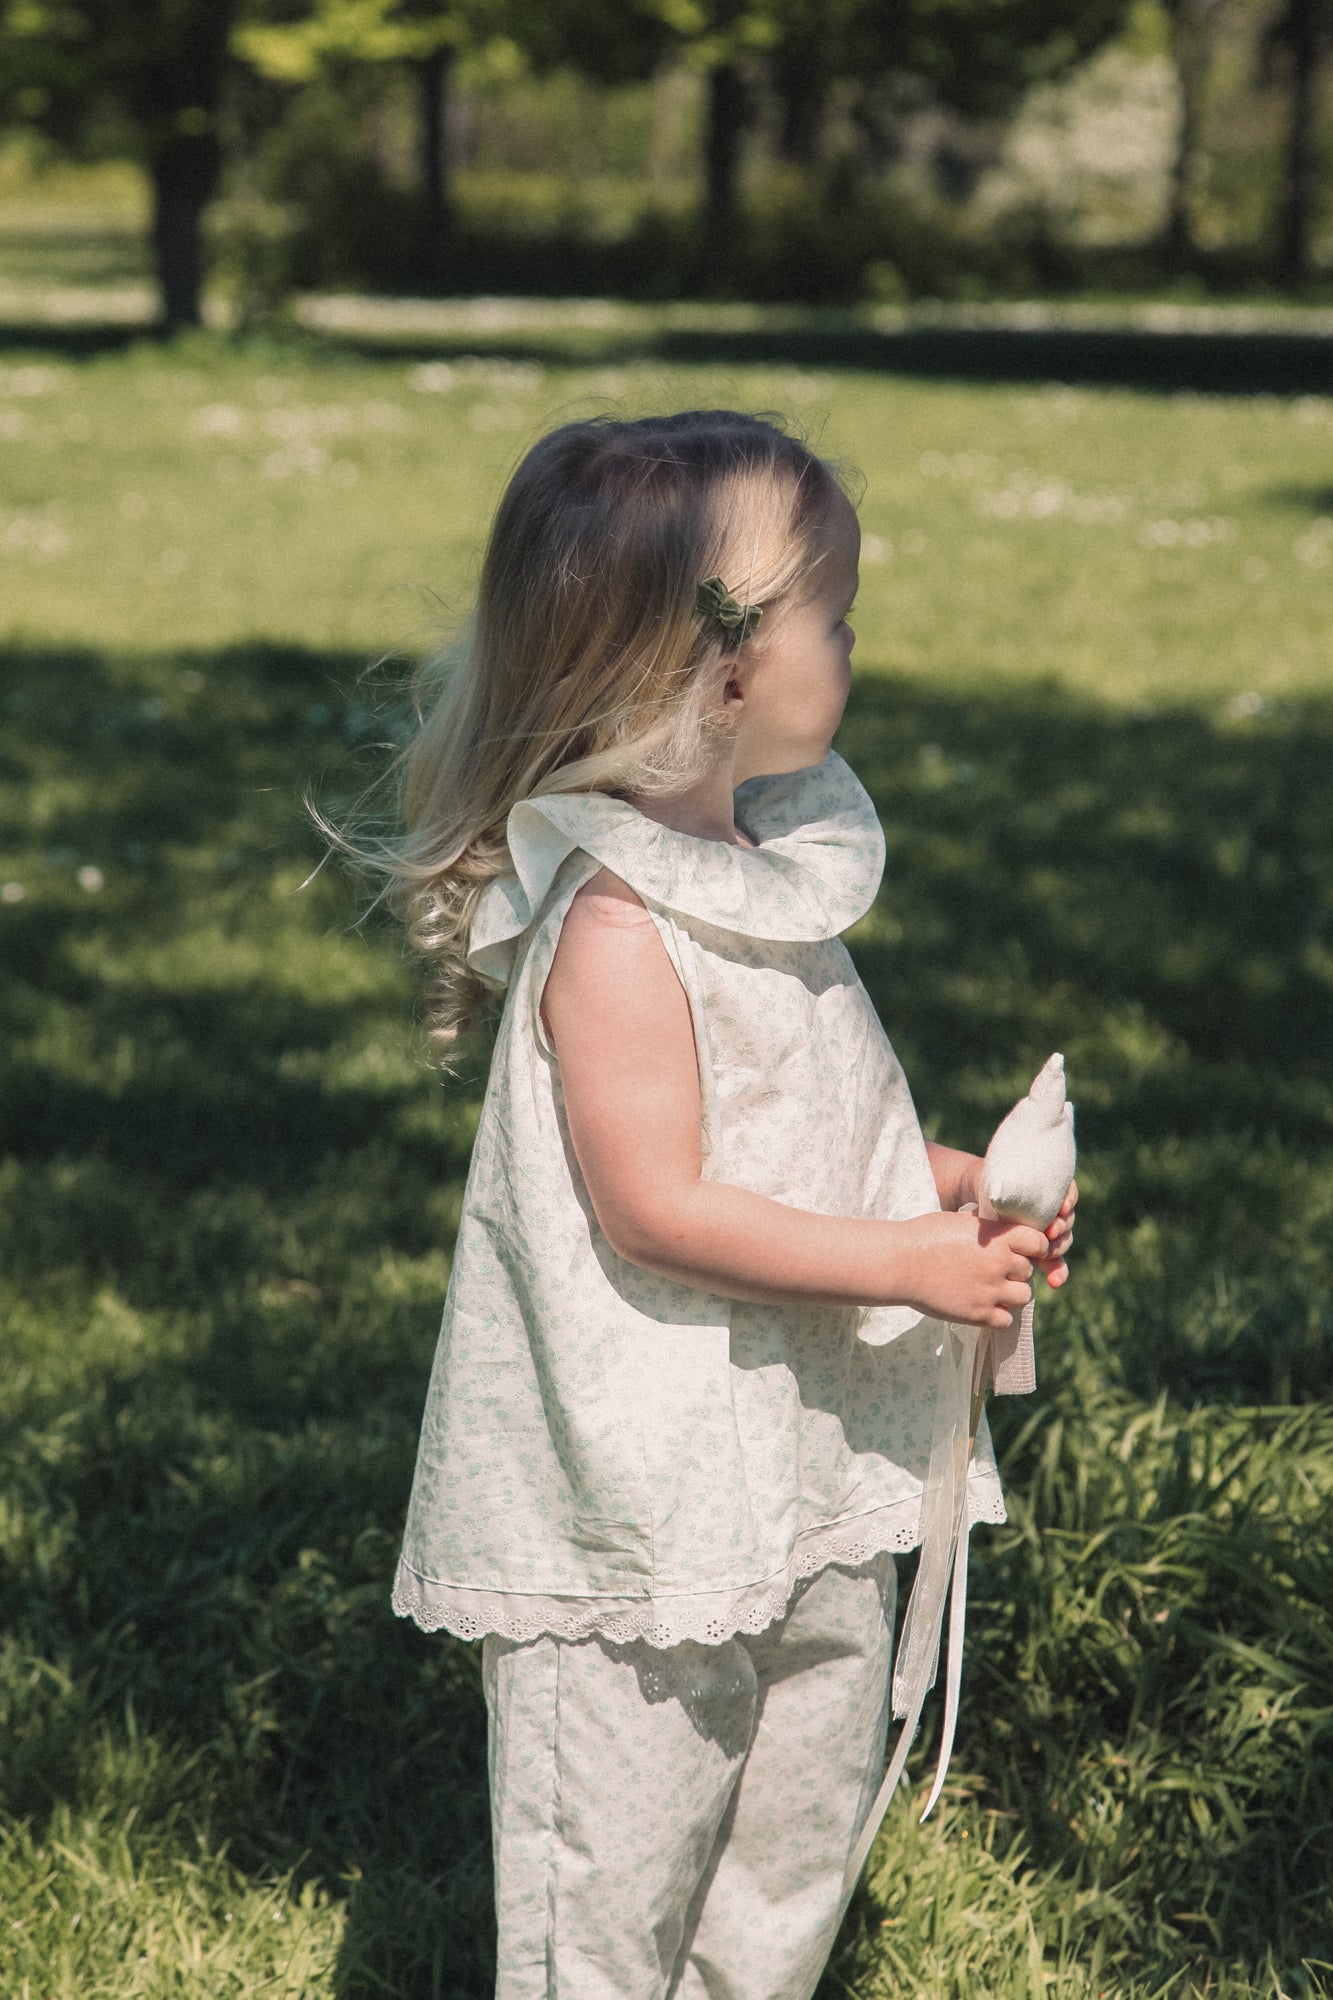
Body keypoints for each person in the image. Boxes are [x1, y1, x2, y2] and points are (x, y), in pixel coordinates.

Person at [352, 410, 1076, 2000]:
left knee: (787, 1841)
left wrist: (942, 1192)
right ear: (727, 672)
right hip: (639, 1501)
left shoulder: (763, 870)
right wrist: (898, 1261)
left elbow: (786, 1120)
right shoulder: (615, 922)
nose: (854, 635)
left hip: (794, 1461)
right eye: (834, 610)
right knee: (611, 1864)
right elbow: (655, 1206)